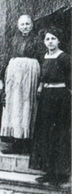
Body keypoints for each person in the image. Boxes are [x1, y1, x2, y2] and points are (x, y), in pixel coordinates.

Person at [29, 27, 71, 185]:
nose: (50, 42)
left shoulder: (65, 58)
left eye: (53, 38)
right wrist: (40, 87)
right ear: (44, 42)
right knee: (45, 133)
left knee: (59, 134)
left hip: (60, 98)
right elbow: (42, 77)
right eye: (47, 39)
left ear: (59, 40)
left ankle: (61, 174)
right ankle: (48, 171)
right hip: (46, 98)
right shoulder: (43, 57)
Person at [0, 15, 43, 154]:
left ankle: (26, 143)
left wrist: (41, 83)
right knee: (13, 106)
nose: (25, 26)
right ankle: (14, 143)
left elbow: (43, 61)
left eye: (27, 24)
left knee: (27, 106)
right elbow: (4, 60)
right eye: (22, 24)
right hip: (13, 77)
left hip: (30, 76)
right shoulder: (12, 41)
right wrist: (0, 80)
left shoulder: (38, 41)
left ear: (32, 25)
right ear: (18, 26)